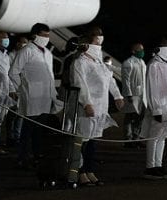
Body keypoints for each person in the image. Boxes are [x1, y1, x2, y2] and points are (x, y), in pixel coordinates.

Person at [71, 26, 124, 186]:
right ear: (87, 42)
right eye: (96, 39)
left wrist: (117, 95)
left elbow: (110, 78)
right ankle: (79, 172)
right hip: (88, 107)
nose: (99, 43)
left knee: (93, 141)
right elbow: (80, 84)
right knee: (83, 140)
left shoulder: (99, 61)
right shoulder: (80, 62)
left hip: (101, 107)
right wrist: (86, 103)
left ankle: (89, 169)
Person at [12, 23, 59, 169]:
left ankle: (37, 155)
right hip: (31, 97)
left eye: (48, 35)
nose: (47, 38)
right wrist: (23, 88)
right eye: (44, 35)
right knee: (28, 129)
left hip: (45, 97)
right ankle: (23, 158)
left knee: (39, 130)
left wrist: (53, 95)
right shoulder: (26, 51)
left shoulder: (47, 53)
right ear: (35, 35)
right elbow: (13, 72)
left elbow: (50, 75)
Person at [140, 38, 167, 179]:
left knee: (162, 138)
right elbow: (153, 89)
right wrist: (156, 109)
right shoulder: (154, 65)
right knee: (154, 137)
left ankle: (158, 165)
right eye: (165, 46)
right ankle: (150, 167)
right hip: (160, 107)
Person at [121, 42, 147, 148]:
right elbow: (125, 80)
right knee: (130, 116)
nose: (142, 52)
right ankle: (128, 139)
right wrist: (128, 94)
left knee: (140, 117)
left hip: (142, 94)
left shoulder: (142, 62)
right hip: (132, 94)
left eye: (142, 49)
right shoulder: (128, 63)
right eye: (139, 50)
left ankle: (136, 138)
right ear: (133, 51)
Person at [5, 35, 29, 147]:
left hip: (23, 89)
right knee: (12, 115)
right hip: (13, 89)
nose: (23, 45)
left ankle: (17, 136)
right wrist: (13, 89)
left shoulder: (26, 56)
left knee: (21, 115)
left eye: (26, 42)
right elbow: (9, 74)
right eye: (22, 42)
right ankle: (10, 137)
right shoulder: (11, 55)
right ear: (17, 43)